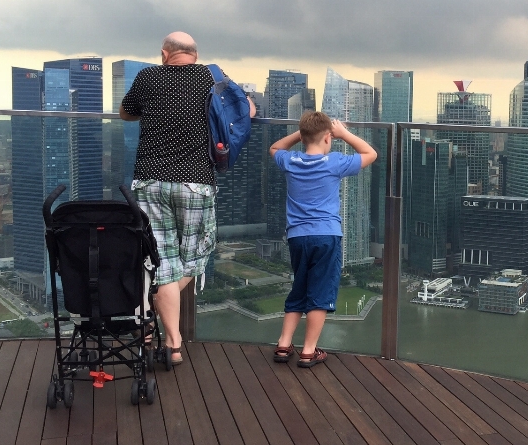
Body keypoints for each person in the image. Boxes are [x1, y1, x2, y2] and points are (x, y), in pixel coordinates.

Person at [119, 32, 254, 365]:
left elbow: (126, 112)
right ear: (195, 54)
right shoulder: (212, 75)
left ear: (165, 53)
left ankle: (160, 331)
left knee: (160, 260)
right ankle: (170, 338)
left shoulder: (148, 76)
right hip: (195, 182)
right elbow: (246, 108)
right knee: (193, 258)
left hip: (149, 180)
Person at [269, 112, 377, 367]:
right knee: (320, 293)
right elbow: (370, 154)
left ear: (304, 137)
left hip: (297, 237)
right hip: (326, 235)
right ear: (329, 137)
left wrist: (302, 132)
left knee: (300, 286)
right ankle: (308, 350)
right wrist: (343, 133)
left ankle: (284, 344)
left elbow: (274, 147)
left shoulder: (291, 160)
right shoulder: (334, 162)